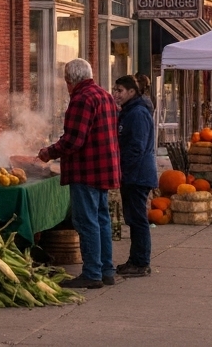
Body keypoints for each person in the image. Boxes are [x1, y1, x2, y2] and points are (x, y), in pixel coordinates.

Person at [38, 58, 120, 289]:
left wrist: (49, 152)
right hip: (104, 167)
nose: (66, 86)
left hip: (86, 170)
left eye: (66, 81)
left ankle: (92, 273)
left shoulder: (81, 99)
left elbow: (74, 140)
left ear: (71, 80)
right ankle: (106, 270)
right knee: (102, 219)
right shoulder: (105, 95)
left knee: (86, 222)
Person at [112, 75, 156, 277]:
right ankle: (135, 259)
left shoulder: (137, 113)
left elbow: (136, 147)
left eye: (120, 90)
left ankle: (141, 262)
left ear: (131, 92)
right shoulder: (129, 111)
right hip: (133, 174)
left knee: (138, 219)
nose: (116, 94)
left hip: (137, 175)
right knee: (133, 218)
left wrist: (123, 169)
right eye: (115, 90)